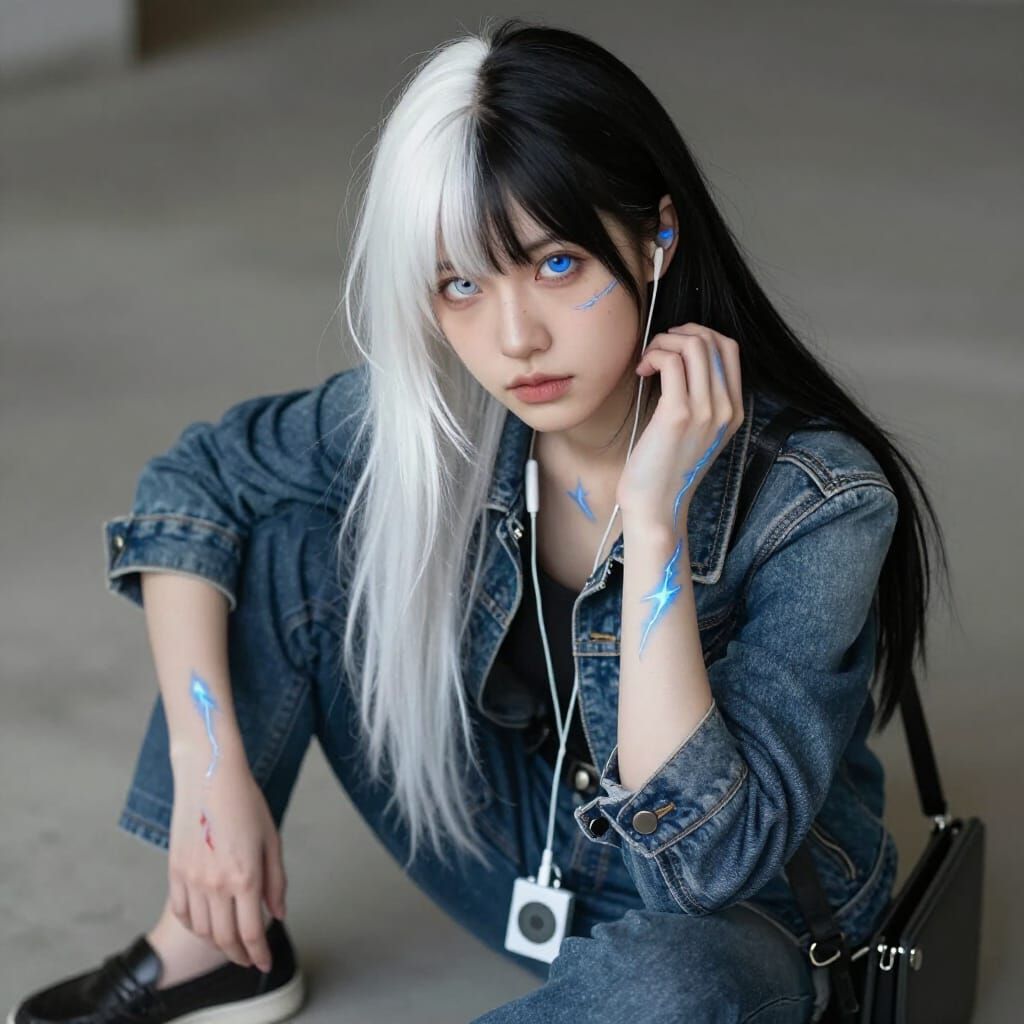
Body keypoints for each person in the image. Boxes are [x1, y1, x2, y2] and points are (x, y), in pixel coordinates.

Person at [10, 16, 953, 1024]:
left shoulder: (820, 499)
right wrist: (211, 777)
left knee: (672, 985)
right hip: (525, 850)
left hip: (735, 922)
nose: (514, 340)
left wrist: (656, 516)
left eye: (556, 266)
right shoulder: (456, 418)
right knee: (286, 541)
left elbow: (714, 862)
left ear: (655, 237)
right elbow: (201, 480)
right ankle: (214, 944)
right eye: (462, 283)